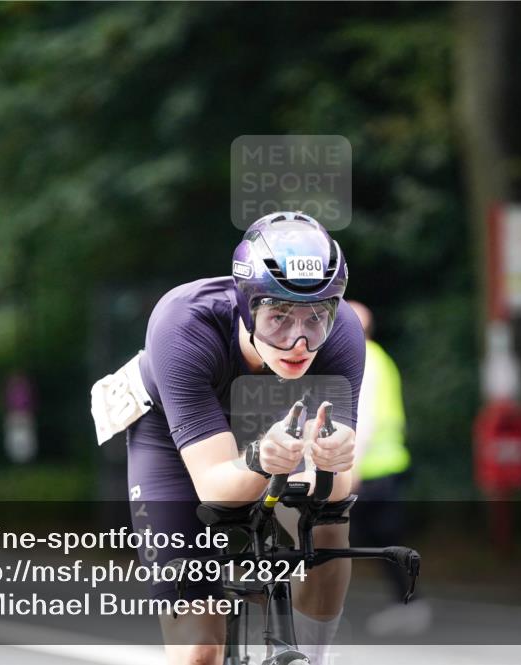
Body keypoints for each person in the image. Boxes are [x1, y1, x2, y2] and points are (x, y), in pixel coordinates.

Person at [114, 212, 365, 665]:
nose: (300, 343)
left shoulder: (343, 330)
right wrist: (259, 460)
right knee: (199, 650)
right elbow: (214, 486)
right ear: (248, 305)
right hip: (174, 440)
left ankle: (314, 656)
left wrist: (333, 464)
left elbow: (341, 485)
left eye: (315, 320)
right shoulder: (184, 325)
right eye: (279, 319)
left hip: (275, 427)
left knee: (329, 517)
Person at [346, 301, 430, 636]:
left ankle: (316, 612)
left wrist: (350, 470)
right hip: (383, 466)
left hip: (368, 469)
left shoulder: (363, 361)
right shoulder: (379, 357)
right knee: (380, 540)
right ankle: (408, 604)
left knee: (332, 538)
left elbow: (363, 418)